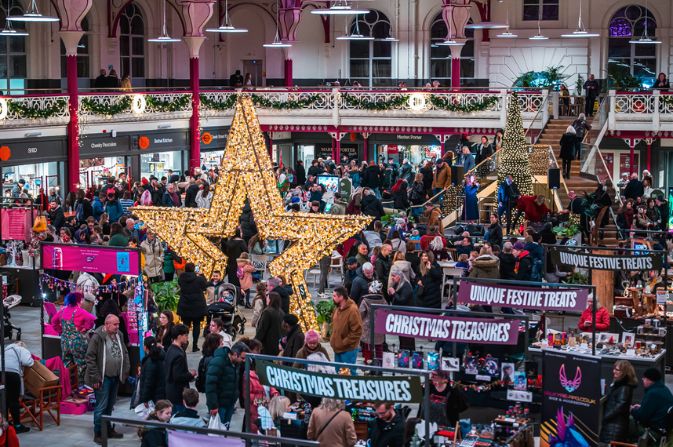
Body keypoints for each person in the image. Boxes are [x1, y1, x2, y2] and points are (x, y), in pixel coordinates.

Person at [85, 314, 130, 444]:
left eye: (118, 324)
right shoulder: (98, 337)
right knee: (101, 406)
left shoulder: (119, 334)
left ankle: (108, 429)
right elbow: (90, 358)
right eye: (115, 324)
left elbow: (124, 352)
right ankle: (98, 432)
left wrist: (125, 370)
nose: (117, 327)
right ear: (107, 324)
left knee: (110, 406)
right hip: (102, 379)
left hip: (115, 377)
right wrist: (95, 378)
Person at [205, 341, 250, 427]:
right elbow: (210, 385)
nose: (244, 361)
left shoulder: (236, 363)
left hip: (229, 403)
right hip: (219, 405)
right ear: (235, 354)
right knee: (217, 432)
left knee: (225, 429)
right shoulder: (218, 362)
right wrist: (213, 405)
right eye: (243, 358)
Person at [51, 292, 95, 378]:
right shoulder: (80, 311)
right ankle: (80, 386)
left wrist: (61, 331)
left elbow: (53, 321)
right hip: (77, 343)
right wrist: (85, 329)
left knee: (67, 364)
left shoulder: (62, 310)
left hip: (65, 342)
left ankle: (69, 385)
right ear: (79, 300)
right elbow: (92, 320)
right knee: (80, 364)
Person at [600, 360, 637, 443]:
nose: (614, 371)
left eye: (617, 370)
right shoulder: (621, 385)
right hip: (615, 425)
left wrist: (605, 416)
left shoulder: (624, 387)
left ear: (624, 372)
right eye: (614, 369)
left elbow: (620, 405)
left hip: (614, 429)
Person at [631, 368, 673, 439]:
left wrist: (631, 410)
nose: (642, 380)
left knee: (628, 422)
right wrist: (641, 407)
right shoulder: (664, 389)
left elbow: (642, 417)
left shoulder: (652, 393)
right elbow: (656, 408)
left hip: (654, 432)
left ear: (649, 380)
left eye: (644, 378)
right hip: (664, 429)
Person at [177, 263, 209, 352]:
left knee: (185, 325)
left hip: (185, 305)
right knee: (196, 325)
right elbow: (205, 286)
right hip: (197, 306)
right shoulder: (199, 279)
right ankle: (195, 345)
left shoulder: (181, 278)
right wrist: (201, 274)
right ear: (194, 269)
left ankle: (183, 344)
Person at [164, 324, 196, 410]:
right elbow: (178, 376)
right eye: (185, 335)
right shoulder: (179, 354)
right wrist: (191, 374)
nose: (187, 338)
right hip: (177, 393)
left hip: (170, 390)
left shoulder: (170, 349)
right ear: (179, 336)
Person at [4, 341, 34, 434]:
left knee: (4, 400)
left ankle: (4, 423)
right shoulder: (21, 349)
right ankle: (17, 425)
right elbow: (28, 362)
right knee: (13, 400)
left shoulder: (5, 350)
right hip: (12, 374)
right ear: (21, 344)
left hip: (1, 373)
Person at [330, 286, 363, 369]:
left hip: (348, 350)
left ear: (341, 297)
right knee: (338, 374)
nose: (332, 298)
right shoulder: (337, 308)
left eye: (334, 296)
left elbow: (357, 331)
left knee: (349, 375)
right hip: (337, 348)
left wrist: (343, 342)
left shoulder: (353, 310)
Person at [359, 281, 387, 364]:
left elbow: (361, 313)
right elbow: (387, 312)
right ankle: (379, 362)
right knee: (379, 345)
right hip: (379, 326)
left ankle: (368, 363)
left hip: (367, 327)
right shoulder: (383, 300)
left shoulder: (365, 300)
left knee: (367, 346)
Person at [138, 336, 166, 406]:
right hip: (161, 393)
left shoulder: (150, 361)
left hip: (154, 396)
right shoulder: (160, 356)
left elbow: (148, 382)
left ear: (145, 347)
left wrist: (145, 399)